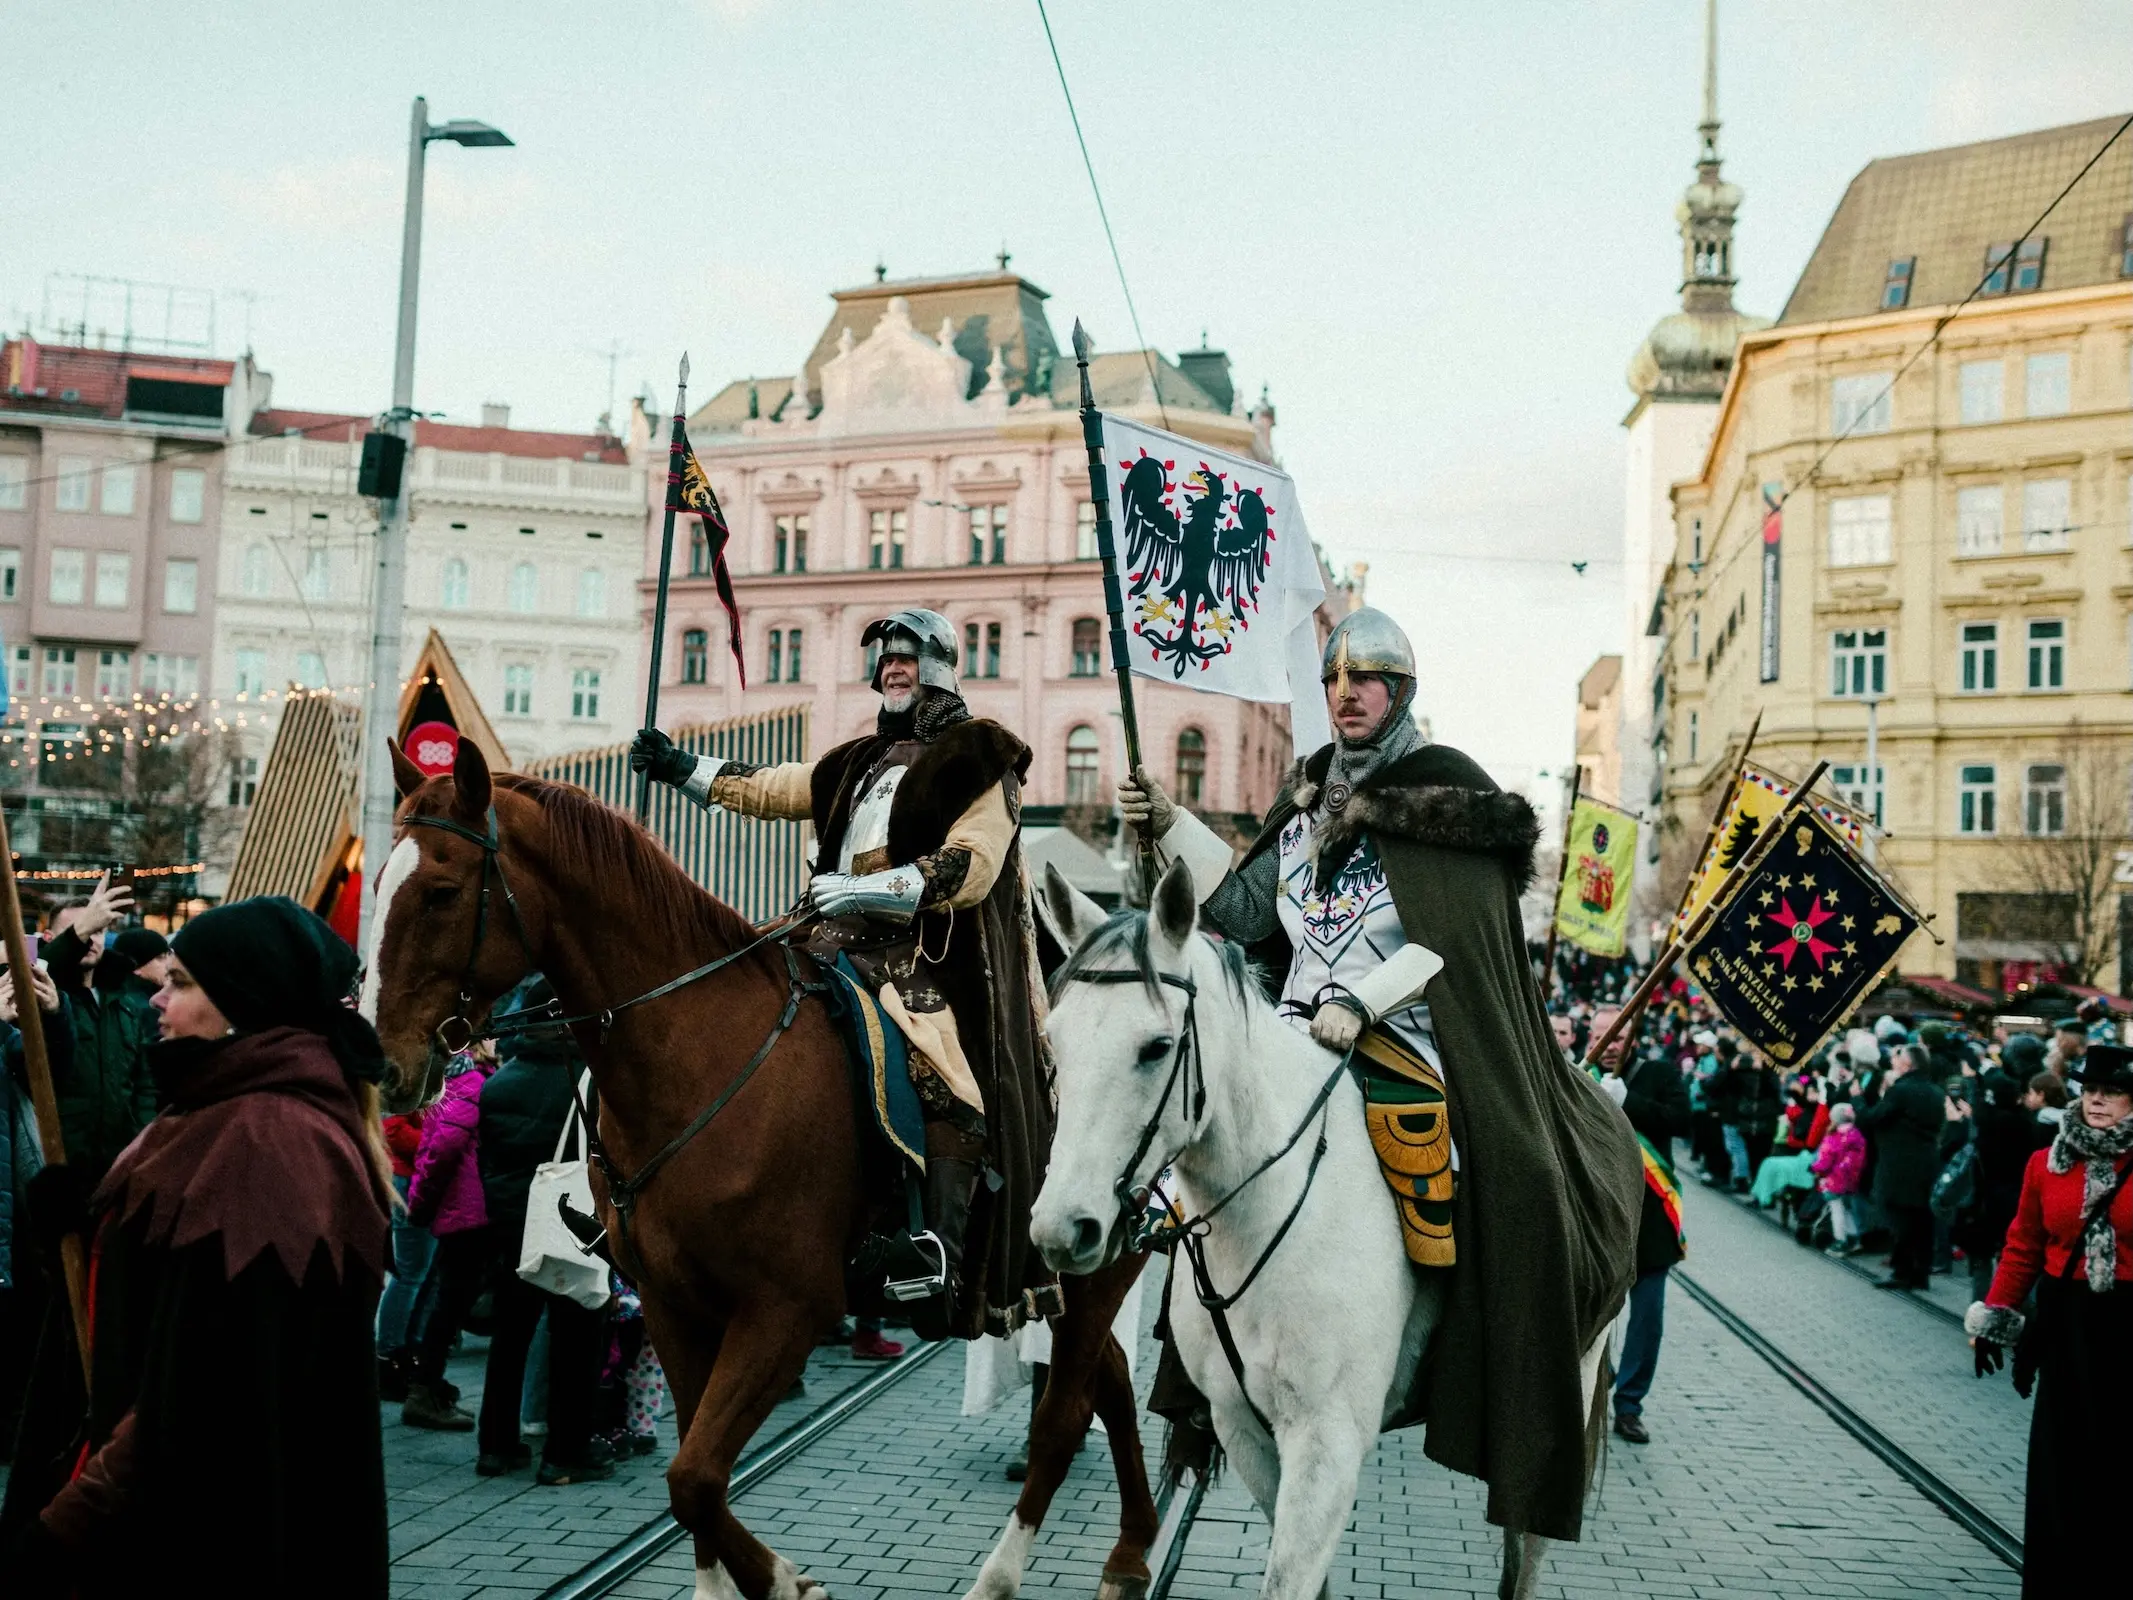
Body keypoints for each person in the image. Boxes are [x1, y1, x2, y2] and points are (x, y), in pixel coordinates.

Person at [1117, 605, 1641, 1544]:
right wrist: (1170, 826)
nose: (1346, 693)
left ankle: (1503, 1374)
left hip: (1408, 1037)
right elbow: (1239, 911)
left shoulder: (1450, 803)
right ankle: (1202, 1376)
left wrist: (1363, 1003)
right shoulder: (1306, 800)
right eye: (1333, 680)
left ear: (1398, 693)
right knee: (1184, 1165)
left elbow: (1459, 948)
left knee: (1516, 1178)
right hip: (1287, 1039)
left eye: (1366, 679)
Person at [632, 607, 1056, 1343]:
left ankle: (937, 1255)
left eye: (907, 658)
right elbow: (774, 787)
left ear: (938, 666)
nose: (893, 669)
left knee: (950, 1083)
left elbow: (973, 863)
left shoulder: (980, 757)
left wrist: (869, 890)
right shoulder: (858, 759)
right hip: (818, 932)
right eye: (886, 660)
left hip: (911, 953)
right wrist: (680, 768)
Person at [0, 895, 393, 1597]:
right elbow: (177, 1297)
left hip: (202, 1539)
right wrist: (84, 1222)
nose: (158, 1001)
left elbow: (201, 1401)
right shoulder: (222, 1111)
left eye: (180, 983)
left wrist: (61, 1530)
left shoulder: (266, 1143)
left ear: (243, 1003)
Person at [1966, 1043, 2133, 1599]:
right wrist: (1995, 1315)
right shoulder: (2048, 1161)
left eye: (2111, 1092)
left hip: (2130, 1324)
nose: (2098, 1101)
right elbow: (2023, 1246)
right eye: (2090, 1091)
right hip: (2068, 1324)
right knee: (2064, 1460)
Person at [474, 979, 613, 1483]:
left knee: (509, 1337)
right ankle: (564, 1452)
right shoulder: (591, 1082)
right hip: (573, 1225)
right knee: (577, 1336)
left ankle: (496, 1446)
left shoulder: (498, 1083)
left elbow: (488, 1160)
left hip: (512, 1225)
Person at [1592, 1030, 1690, 1445]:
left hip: (1651, 1218)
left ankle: (1629, 1405)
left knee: (1647, 1320)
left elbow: (1682, 1122)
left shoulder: (1661, 1074)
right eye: (1599, 1035)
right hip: (1598, 1212)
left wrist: (1628, 1102)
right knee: (1591, 1315)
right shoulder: (1582, 1071)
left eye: (1616, 1034)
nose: (1608, 1042)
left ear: (1633, 1036)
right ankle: (1594, 1383)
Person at [399, 1044, 496, 1432]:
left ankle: (431, 1387)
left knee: (447, 1302)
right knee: (449, 1304)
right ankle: (424, 1392)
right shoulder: (469, 1084)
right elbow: (442, 1147)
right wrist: (420, 1203)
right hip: (468, 1213)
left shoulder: (453, 1084)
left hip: (461, 1211)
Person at [39, 876, 157, 1184]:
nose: (91, 938)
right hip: (57, 1167)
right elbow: (33, 970)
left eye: (99, 930)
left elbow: (142, 1083)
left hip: (118, 1165)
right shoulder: (42, 998)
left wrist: (141, 1140)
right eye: (80, 931)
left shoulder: (125, 1003)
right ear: (51, 938)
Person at [1857, 1042, 1947, 1290]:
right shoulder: (1935, 1091)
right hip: (1927, 1162)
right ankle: (1921, 1272)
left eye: (1897, 1058)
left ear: (1908, 1064)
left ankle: (1901, 1270)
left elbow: (1872, 1118)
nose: (1893, 1062)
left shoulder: (1901, 1090)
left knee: (1900, 1219)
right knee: (1921, 1219)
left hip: (1898, 1165)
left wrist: (1859, 1101)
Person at [1811, 1103, 1868, 1254]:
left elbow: (1825, 1160)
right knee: (1846, 1209)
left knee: (1836, 1209)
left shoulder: (1834, 1137)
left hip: (1833, 1179)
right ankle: (1854, 1238)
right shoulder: (1857, 1136)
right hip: (1850, 1180)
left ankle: (1840, 1240)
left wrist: (1815, 1169)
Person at [2044, 1015, 2088, 1079]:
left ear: (2072, 1041)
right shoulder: (2071, 1062)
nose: (2059, 1045)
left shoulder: (2090, 1064)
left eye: (2060, 1041)